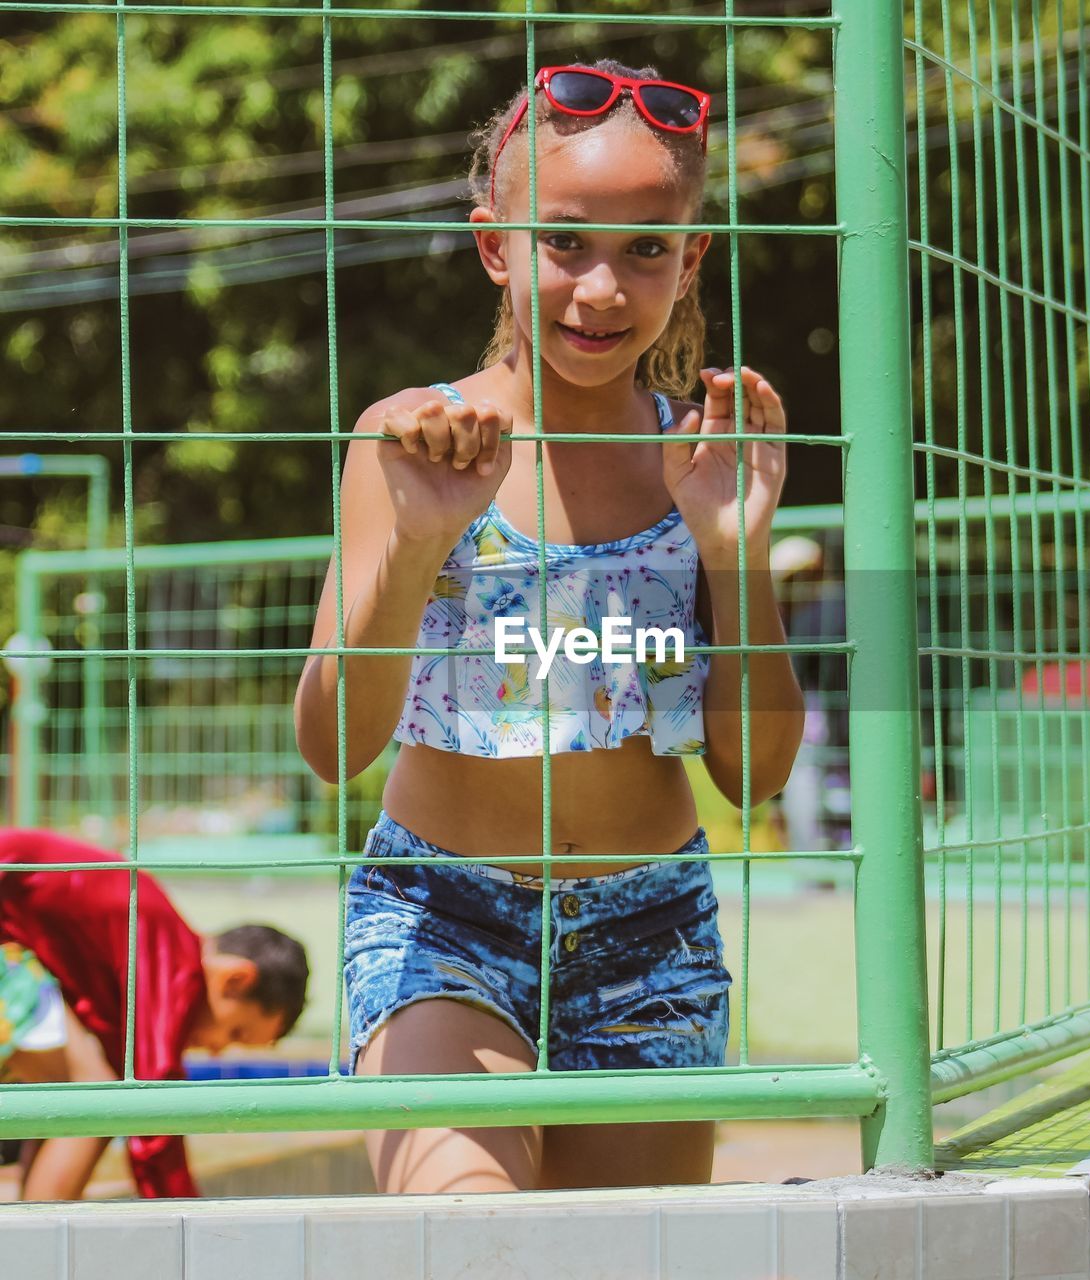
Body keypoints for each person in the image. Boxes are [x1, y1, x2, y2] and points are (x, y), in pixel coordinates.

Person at [294, 58, 804, 1196]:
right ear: (493, 244)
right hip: (442, 919)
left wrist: (731, 549)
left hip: (650, 931)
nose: (601, 289)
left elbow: (753, 775)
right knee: (471, 1239)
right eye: (562, 242)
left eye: (645, 249)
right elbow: (332, 745)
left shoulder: (709, 455)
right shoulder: (412, 438)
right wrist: (419, 547)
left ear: (692, 255)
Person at [0, 827, 310, 1201]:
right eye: (236, 1033)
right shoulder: (172, 961)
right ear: (234, 978)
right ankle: (36, 1248)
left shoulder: (154, 941)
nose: (215, 1050)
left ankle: (30, 1233)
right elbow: (152, 1110)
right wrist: (188, 1225)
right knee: (96, 1103)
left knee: (83, 1089)